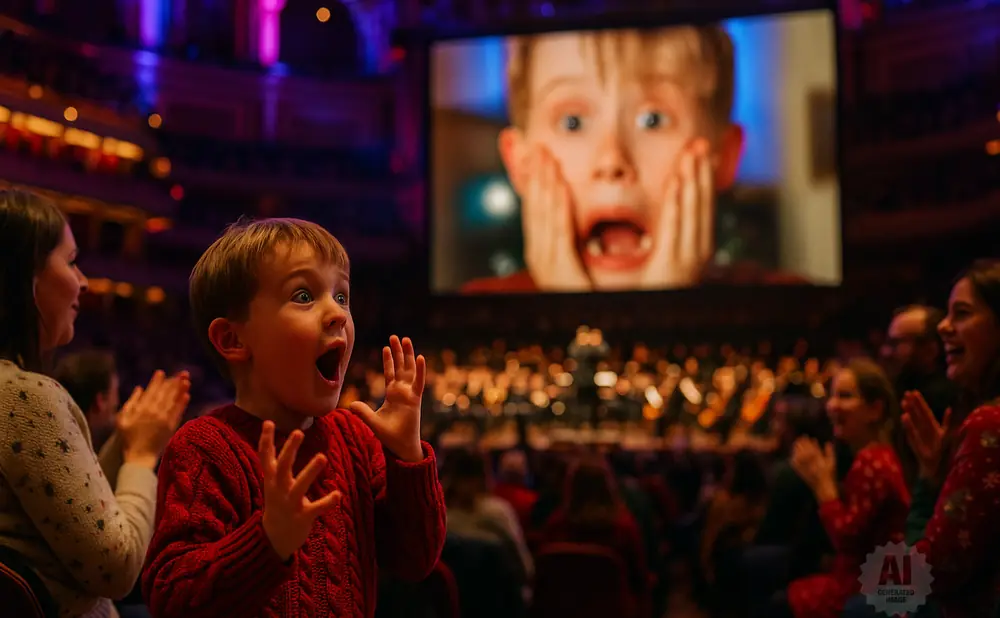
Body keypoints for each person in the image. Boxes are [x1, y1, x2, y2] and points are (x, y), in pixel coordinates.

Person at [141, 218, 447, 618]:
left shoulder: (354, 439)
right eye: (304, 295)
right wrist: (268, 539)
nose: (337, 314)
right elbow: (172, 597)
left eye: (342, 296)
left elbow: (415, 559)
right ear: (233, 340)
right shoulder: (204, 447)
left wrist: (407, 456)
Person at [461, 25, 805, 294]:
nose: (612, 160)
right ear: (519, 163)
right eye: (572, 122)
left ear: (725, 156)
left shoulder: (796, 310)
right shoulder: (466, 322)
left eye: (653, 120)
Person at [0, 189, 190, 618]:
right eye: (70, 262)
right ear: (24, 279)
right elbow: (117, 568)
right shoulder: (26, 398)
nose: (83, 280)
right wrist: (142, 456)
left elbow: (64, 510)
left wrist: (123, 443)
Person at [901, 259, 1000, 617]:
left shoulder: (990, 425)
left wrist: (927, 484)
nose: (943, 327)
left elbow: (916, 578)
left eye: (962, 313)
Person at [780, 359, 912, 618]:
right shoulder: (874, 455)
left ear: (875, 410)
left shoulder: (872, 461)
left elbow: (846, 539)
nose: (832, 405)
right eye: (832, 396)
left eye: (845, 396)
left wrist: (823, 487)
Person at [52, 349, 120, 452]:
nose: (117, 402)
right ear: (100, 400)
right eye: (115, 392)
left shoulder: (55, 446)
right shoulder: (80, 461)